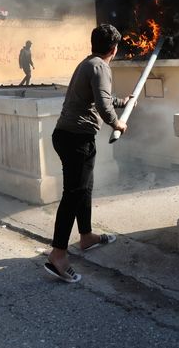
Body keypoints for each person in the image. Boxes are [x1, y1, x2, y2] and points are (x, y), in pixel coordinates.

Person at [44, 24, 131, 283]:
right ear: (114, 49)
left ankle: (86, 236)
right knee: (73, 195)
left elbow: (100, 97)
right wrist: (117, 123)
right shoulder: (100, 67)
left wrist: (122, 102)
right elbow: (103, 105)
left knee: (84, 189)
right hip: (76, 139)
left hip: (69, 136)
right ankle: (58, 254)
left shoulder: (88, 63)